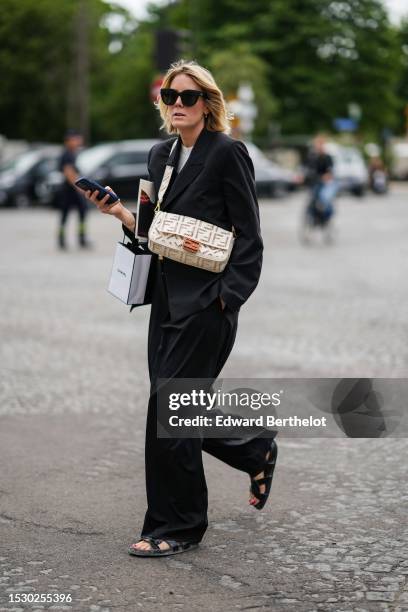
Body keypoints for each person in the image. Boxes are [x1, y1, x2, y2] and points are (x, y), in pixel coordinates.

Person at [84, 60, 278, 557]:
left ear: (207, 104)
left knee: (170, 412)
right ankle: (253, 447)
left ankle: (177, 527)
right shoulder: (159, 155)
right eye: (170, 95)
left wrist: (226, 298)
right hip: (165, 300)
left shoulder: (227, 153)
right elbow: (153, 234)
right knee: (171, 410)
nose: (177, 104)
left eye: (188, 97)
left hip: (207, 306)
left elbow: (250, 237)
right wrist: (120, 214)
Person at [57, 129, 91, 250]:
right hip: (69, 191)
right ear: (69, 141)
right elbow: (68, 172)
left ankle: (80, 238)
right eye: (76, 139)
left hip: (69, 190)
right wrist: (79, 188)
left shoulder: (71, 153)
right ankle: (63, 240)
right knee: (68, 214)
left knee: (79, 213)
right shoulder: (67, 154)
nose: (78, 142)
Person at [304, 134, 337, 226]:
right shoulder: (312, 157)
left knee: (325, 199)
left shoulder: (327, 157)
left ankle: (326, 218)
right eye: (317, 145)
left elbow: (330, 171)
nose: (318, 147)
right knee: (312, 201)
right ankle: (313, 218)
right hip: (314, 182)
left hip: (324, 183)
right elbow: (306, 168)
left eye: (320, 144)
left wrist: (327, 176)